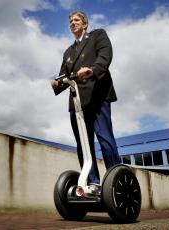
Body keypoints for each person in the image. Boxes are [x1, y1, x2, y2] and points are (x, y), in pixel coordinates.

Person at [51, 11, 121, 194]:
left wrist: (93, 69)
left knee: (105, 139)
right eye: (70, 21)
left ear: (85, 24)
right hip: (77, 103)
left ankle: (115, 178)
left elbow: (105, 56)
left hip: (97, 96)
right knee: (83, 145)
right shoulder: (68, 52)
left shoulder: (97, 35)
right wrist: (56, 83)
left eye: (76, 20)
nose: (72, 23)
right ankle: (93, 183)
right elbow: (62, 77)